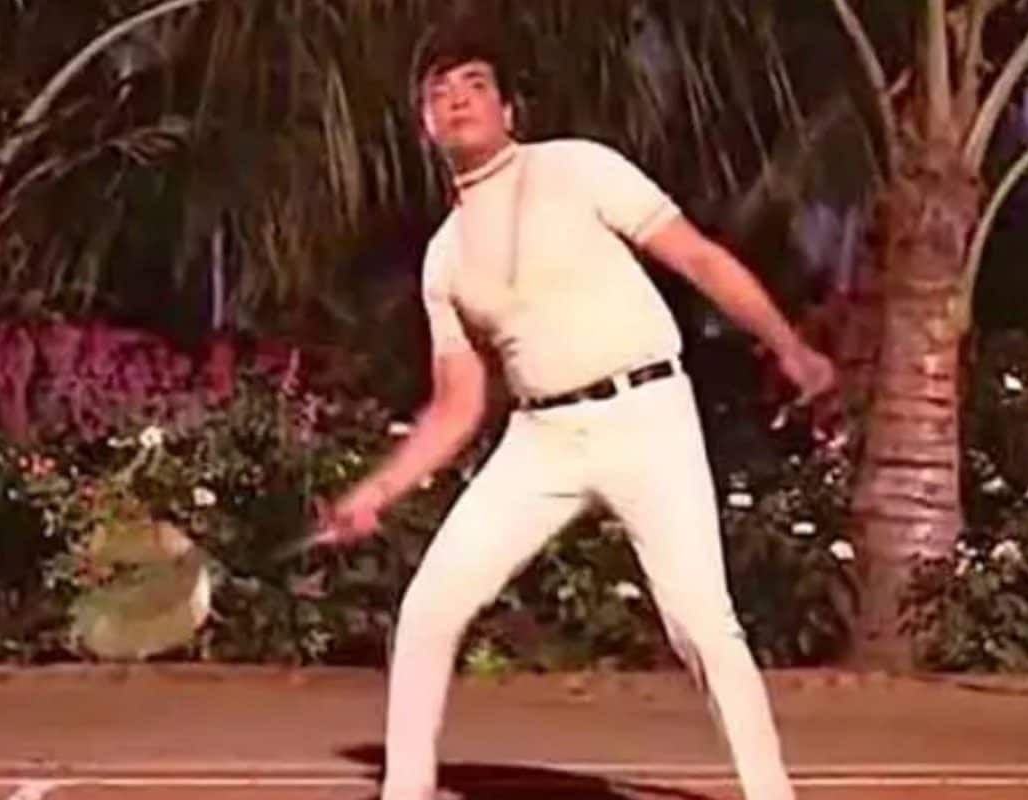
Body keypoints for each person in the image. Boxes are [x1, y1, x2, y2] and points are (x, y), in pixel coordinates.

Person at [322, 19, 835, 800]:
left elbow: (697, 257)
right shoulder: (443, 259)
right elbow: (458, 406)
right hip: (543, 439)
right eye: (440, 93)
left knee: (702, 625)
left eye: (475, 85)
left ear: (508, 111)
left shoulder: (578, 167)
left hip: (648, 415)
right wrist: (377, 491)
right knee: (428, 606)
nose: (458, 100)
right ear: (426, 126)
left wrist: (788, 346)